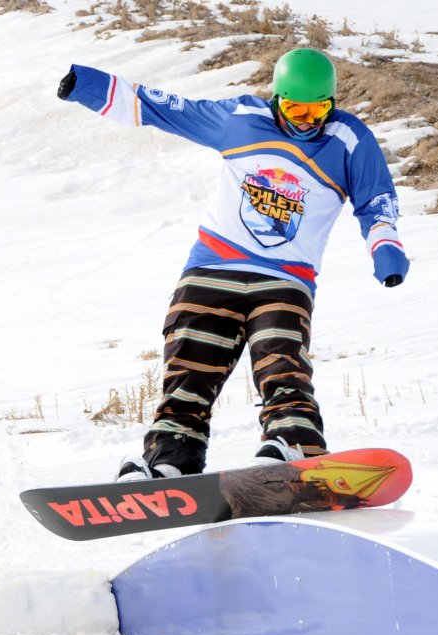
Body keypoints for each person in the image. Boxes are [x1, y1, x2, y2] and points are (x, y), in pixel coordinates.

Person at [56, 48, 409, 481]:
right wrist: (86, 86)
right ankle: (171, 458)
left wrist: (385, 246)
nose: (305, 119)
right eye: (294, 107)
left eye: (317, 108)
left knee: (282, 362)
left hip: (285, 279)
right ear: (276, 98)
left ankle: (295, 444)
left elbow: (376, 200)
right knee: (189, 367)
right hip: (211, 268)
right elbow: (162, 108)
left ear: (331, 102)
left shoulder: (349, 139)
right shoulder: (241, 118)